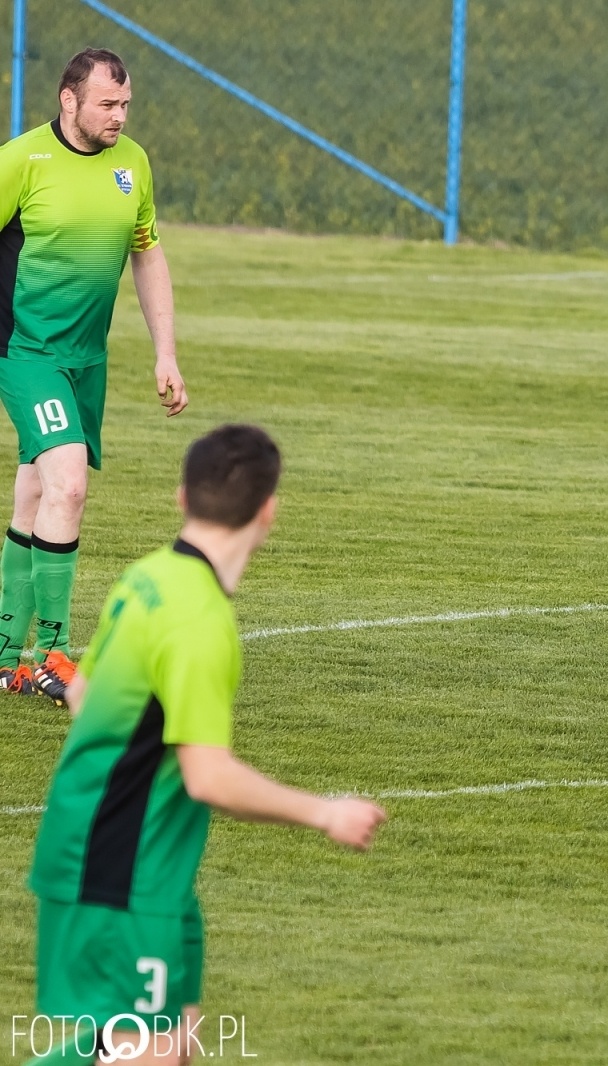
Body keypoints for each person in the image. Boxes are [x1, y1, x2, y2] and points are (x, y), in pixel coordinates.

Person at [27, 425, 386, 1065]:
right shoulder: (199, 621)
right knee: (153, 1054)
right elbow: (208, 778)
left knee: (176, 1041)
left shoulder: (147, 577)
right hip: (117, 860)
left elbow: (83, 694)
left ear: (180, 497)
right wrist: (325, 812)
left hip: (133, 856)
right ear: (269, 508)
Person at [0, 48, 188, 706]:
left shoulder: (131, 164)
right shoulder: (22, 160)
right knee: (69, 485)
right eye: (107, 104)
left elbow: (148, 252)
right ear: (69, 100)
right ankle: (53, 653)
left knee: (36, 497)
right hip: (26, 353)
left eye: (125, 104)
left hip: (88, 361)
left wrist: (165, 352)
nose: (119, 116)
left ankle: (4, 658)